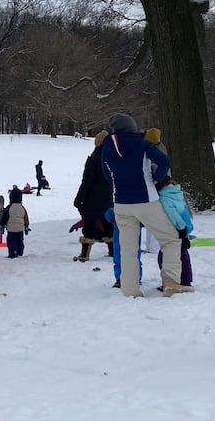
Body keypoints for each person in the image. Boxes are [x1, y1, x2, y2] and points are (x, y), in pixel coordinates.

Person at [100, 112, 180, 298]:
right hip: (146, 200)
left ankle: (130, 290)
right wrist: (155, 178)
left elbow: (106, 174)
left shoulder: (107, 146)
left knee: (128, 249)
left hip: (121, 203)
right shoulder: (142, 144)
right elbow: (164, 162)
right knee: (170, 239)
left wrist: (119, 183)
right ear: (132, 128)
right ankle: (171, 283)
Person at [72, 130, 115, 262]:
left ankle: (85, 253)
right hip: (107, 197)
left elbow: (87, 181)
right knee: (107, 223)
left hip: (92, 198)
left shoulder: (94, 158)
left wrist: (79, 199)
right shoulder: (113, 157)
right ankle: (113, 250)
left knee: (89, 224)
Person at [3, 192, 30, 258]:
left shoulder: (9, 207)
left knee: (11, 242)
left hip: (11, 229)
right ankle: (20, 252)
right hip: (20, 229)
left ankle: (13, 253)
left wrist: (2, 225)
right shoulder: (22, 207)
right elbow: (25, 217)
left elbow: (4, 217)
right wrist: (26, 226)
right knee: (20, 241)